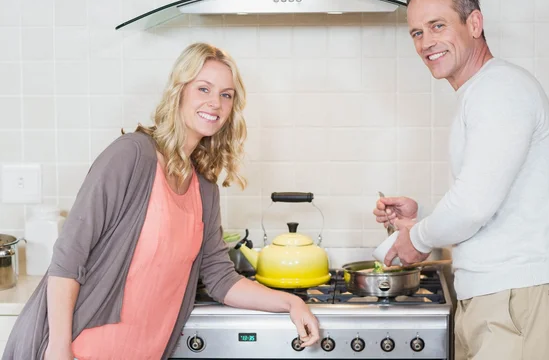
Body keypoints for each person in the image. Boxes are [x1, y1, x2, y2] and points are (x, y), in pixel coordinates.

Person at [3, 43, 320, 360]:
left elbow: (221, 279)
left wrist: (292, 302)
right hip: (77, 349)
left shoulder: (204, 185)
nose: (216, 103)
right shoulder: (131, 155)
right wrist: (59, 349)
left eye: (227, 94)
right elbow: (68, 259)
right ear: (179, 91)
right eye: (203, 88)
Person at [373, 0, 549, 360]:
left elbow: (472, 206)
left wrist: (417, 239)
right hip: (502, 300)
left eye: (438, 26)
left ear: (474, 24)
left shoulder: (500, 89)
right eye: (416, 32)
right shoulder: (483, 92)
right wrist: (424, 220)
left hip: (519, 301)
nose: (426, 42)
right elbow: (487, 205)